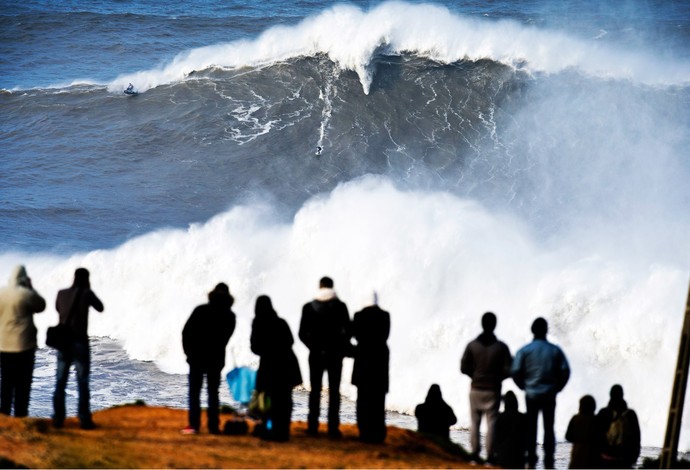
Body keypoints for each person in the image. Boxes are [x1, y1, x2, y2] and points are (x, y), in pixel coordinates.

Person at [511, 317, 570, 469]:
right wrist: (558, 388)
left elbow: (515, 371)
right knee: (549, 427)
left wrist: (523, 386)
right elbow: (565, 371)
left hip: (531, 394)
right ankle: (549, 458)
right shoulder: (555, 350)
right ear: (546, 330)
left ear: (532, 331)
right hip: (550, 394)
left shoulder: (524, 350)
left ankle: (531, 457)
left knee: (532, 426)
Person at [298, 276, 351, 437]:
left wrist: (313, 347)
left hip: (315, 355)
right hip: (335, 355)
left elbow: (301, 333)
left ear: (319, 287)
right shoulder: (341, 306)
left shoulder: (308, 307)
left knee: (315, 391)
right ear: (332, 287)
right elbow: (348, 331)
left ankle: (312, 426)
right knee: (334, 392)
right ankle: (332, 428)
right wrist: (339, 346)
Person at [53, 267, 104, 429]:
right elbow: (100, 307)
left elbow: (58, 309)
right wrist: (88, 291)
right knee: (82, 383)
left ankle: (58, 419)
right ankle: (84, 420)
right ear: (86, 279)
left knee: (60, 382)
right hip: (80, 344)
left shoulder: (61, 293)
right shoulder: (87, 294)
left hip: (63, 343)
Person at [182, 282, 236, 435]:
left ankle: (194, 426)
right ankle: (213, 427)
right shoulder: (230, 316)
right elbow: (225, 338)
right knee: (213, 393)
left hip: (197, 357)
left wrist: (189, 353)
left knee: (195, 392)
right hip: (216, 358)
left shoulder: (201, 310)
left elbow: (186, 333)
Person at [460, 311, 512, 462]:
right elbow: (509, 370)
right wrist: (498, 378)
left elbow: (463, 367)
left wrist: (475, 376)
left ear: (482, 324)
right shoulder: (501, 347)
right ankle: (490, 455)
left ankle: (475, 453)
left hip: (476, 388)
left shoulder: (472, 345)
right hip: (493, 390)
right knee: (492, 423)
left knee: (475, 423)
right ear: (495, 325)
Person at [250, 295, 302, 441]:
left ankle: (267, 430)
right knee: (284, 400)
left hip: (269, 366)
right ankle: (283, 432)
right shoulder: (281, 322)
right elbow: (290, 341)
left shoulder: (258, 323)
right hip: (286, 365)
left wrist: (267, 350)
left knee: (266, 400)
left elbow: (255, 347)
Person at [0, 265, 46, 417]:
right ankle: (20, 417)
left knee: (6, 384)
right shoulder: (25, 294)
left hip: (4, 346)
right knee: (22, 384)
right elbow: (41, 306)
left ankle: (4, 417)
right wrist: (31, 288)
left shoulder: (2, 293)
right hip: (24, 346)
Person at [351, 292, 390, 443]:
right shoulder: (385, 315)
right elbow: (385, 336)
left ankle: (364, 432)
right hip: (379, 362)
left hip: (363, 361)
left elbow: (355, 335)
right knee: (378, 400)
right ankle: (378, 433)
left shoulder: (358, 315)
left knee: (363, 400)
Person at [596, 384, 641, 469]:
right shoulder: (631, 414)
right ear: (622, 395)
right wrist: (634, 458)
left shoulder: (603, 413)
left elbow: (596, 437)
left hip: (605, 459)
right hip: (625, 460)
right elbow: (636, 438)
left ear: (610, 395)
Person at [491, 390, 528, 469]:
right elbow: (527, 439)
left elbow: (495, 439)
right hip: (519, 458)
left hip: (502, 458)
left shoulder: (499, 418)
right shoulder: (523, 417)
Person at [566, 394, 599, 469]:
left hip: (576, 456)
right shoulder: (596, 420)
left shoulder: (575, 418)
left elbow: (568, 436)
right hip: (592, 458)